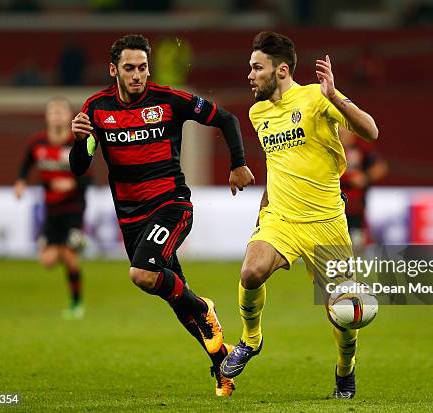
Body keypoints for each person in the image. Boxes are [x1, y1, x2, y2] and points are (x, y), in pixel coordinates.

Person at [69, 34, 254, 397]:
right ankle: (222, 365)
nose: (137, 75)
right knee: (172, 294)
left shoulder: (169, 100)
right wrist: (78, 141)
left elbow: (227, 119)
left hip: (171, 206)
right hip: (131, 220)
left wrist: (238, 163)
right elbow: (79, 167)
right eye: (129, 68)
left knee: (142, 274)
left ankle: (204, 307)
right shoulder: (95, 109)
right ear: (113, 70)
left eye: (142, 68)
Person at [220, 31, 379, 399]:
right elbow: (278, 166)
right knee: (251, 270)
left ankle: (345, 368)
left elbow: (370, 131)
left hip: (327, 223)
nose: (249, 75)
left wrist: (335, 96)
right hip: (283, 219)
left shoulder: (315, 97)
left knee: (342, 314)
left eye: (256, 68)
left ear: (281, 70)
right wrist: (263, 211)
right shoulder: (257, 112)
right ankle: (250, 340)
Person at [14, 97, 89, 319]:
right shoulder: (37, 143)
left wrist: (73, 183)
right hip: (50, 209)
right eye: (53, 112)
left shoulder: (76, 143)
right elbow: (26, 163)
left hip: (73, 208)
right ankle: (73, 244)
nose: (57, 116)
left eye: (61, 112)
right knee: (47, 260)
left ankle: (77, 304)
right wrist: (20, 181)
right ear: (47, 117)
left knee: (69, 256)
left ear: (69, 116)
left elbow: (89, 178)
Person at [339, 128, 388, 253]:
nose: (341, 133)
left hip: (356, 207)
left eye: (344, 130)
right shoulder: (331, 147)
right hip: (334, 206)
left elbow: (381, 167)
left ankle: (357, 268)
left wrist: (365, 177)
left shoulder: (361, 148)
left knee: (357, 243)